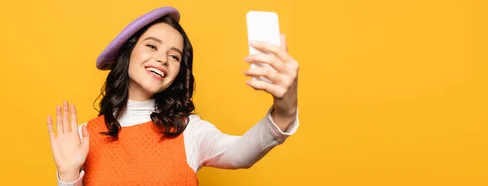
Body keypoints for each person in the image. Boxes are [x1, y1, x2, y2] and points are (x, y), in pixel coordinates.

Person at [46, 6, 300, 185]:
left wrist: (285, 111)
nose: (162, 58)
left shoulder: (188, 131)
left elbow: (241, 153)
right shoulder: (83, 137)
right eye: (152, 46)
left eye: (174, 56)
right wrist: (67, 175)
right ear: (128, 53)